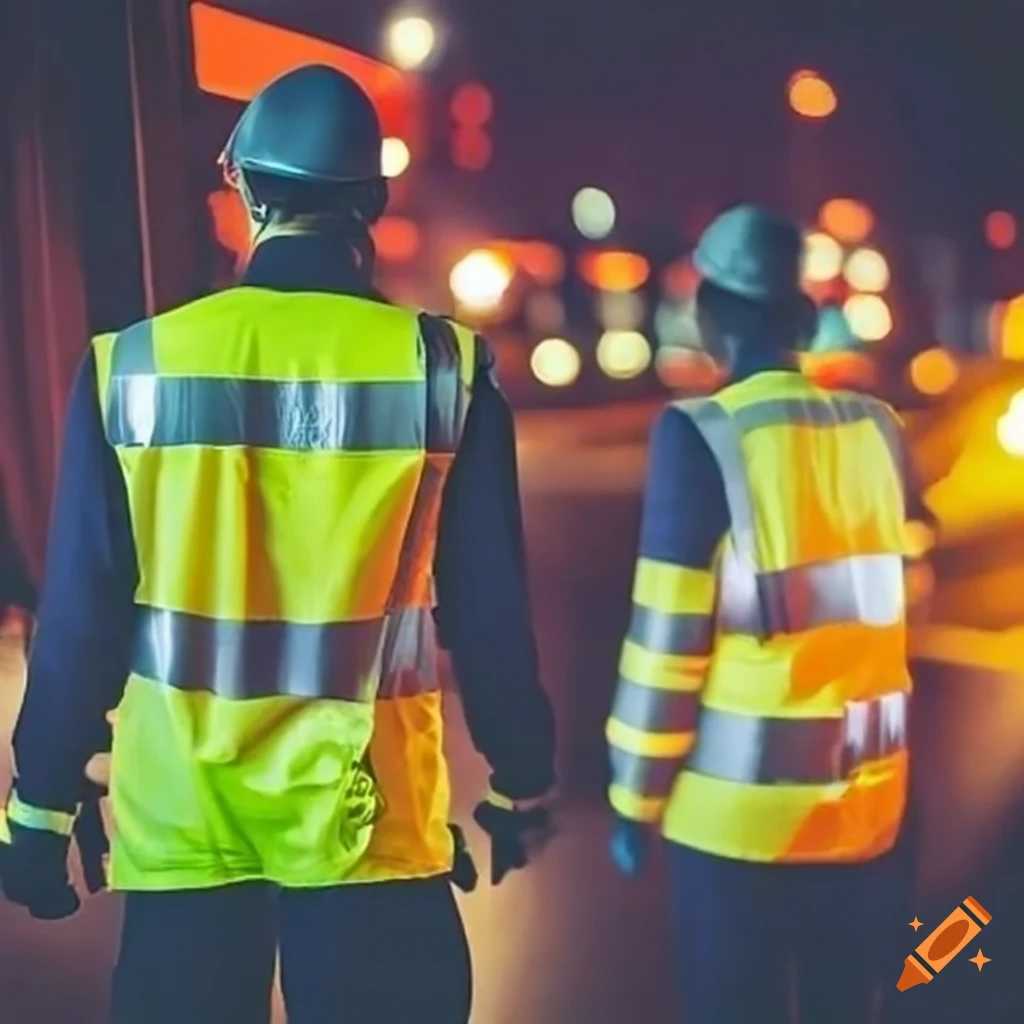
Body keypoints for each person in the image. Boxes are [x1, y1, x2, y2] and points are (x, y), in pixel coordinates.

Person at [0, 64, 556, 1024]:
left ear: (248, 191)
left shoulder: (134, 367)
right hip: (370, 829)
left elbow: (84, 615)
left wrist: (40, 803)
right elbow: (490, 615)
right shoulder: (443, 370)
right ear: (372, 202)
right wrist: (520, 779)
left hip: (187, 824)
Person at [606, 204, 921, 1024]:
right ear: (803, 316)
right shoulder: (879, 430)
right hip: (866, 816)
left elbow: (666, 646)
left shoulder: (702, 435)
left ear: (710, 314)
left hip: (737, 830)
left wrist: (636, 798)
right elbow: (896, 607)